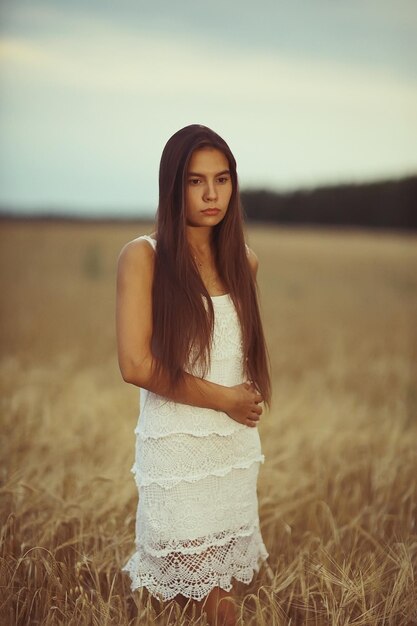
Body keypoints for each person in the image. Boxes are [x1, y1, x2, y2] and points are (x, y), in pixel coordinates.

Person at [116, 124, 271, 626]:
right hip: (177, 453)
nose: (211, 194)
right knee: (214, 605)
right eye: (195, 181)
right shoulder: (144, 257)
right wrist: (225, 398)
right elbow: (135, 365)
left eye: (222, 180)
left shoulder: (243, 262)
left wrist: (241, 401)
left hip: (230, 452)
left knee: (200, 601)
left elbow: (237, 355)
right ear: (172, 185)